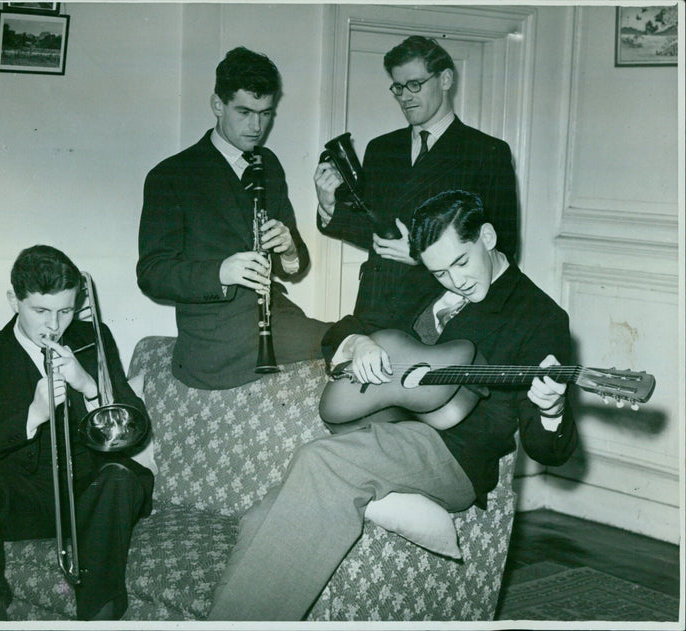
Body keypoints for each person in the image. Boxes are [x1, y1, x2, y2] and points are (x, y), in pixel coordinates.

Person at [207, 190, 578, 620]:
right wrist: (357, 342)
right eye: (440, 272)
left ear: (488, 237)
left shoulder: (539, 316)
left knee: (321, 461)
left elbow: (549, 449)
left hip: (454, 453)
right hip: (388, 429)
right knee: (262, 514)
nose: (455, 281)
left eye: (461, 262)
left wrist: (552, 411)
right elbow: (348, 326)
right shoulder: (423, 282)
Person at [0, 245, 154, 621]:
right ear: (14, 301)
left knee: (122, 477)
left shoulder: (93, 337)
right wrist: (32, 415)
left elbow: (135, 425)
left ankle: (98, 616)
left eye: (65, 311)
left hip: (89, 499)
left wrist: (89, 386)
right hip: (22, 505)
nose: (54, 326)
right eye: (41, 311)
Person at [137, 46, 329, 390]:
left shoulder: (268, 164)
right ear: (217, 105)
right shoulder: (171, 175)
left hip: (272, 317)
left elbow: (296, 266)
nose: (257, 126)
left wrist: (288, 250)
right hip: (214, 337)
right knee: (347, 340)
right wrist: (220, 273)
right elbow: (151, 273)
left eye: (266, 113)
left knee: (358, 338)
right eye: (244, 112)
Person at [314, 35, 518, 332]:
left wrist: (421, 254)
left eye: (415, 85)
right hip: (375, 306)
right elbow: (375, 232)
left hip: (439, 311)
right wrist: (329, 206)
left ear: (445, 79)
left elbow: (503, 246)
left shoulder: (486, 152)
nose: (405, 97)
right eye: (398, 87)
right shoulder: (381, 148)